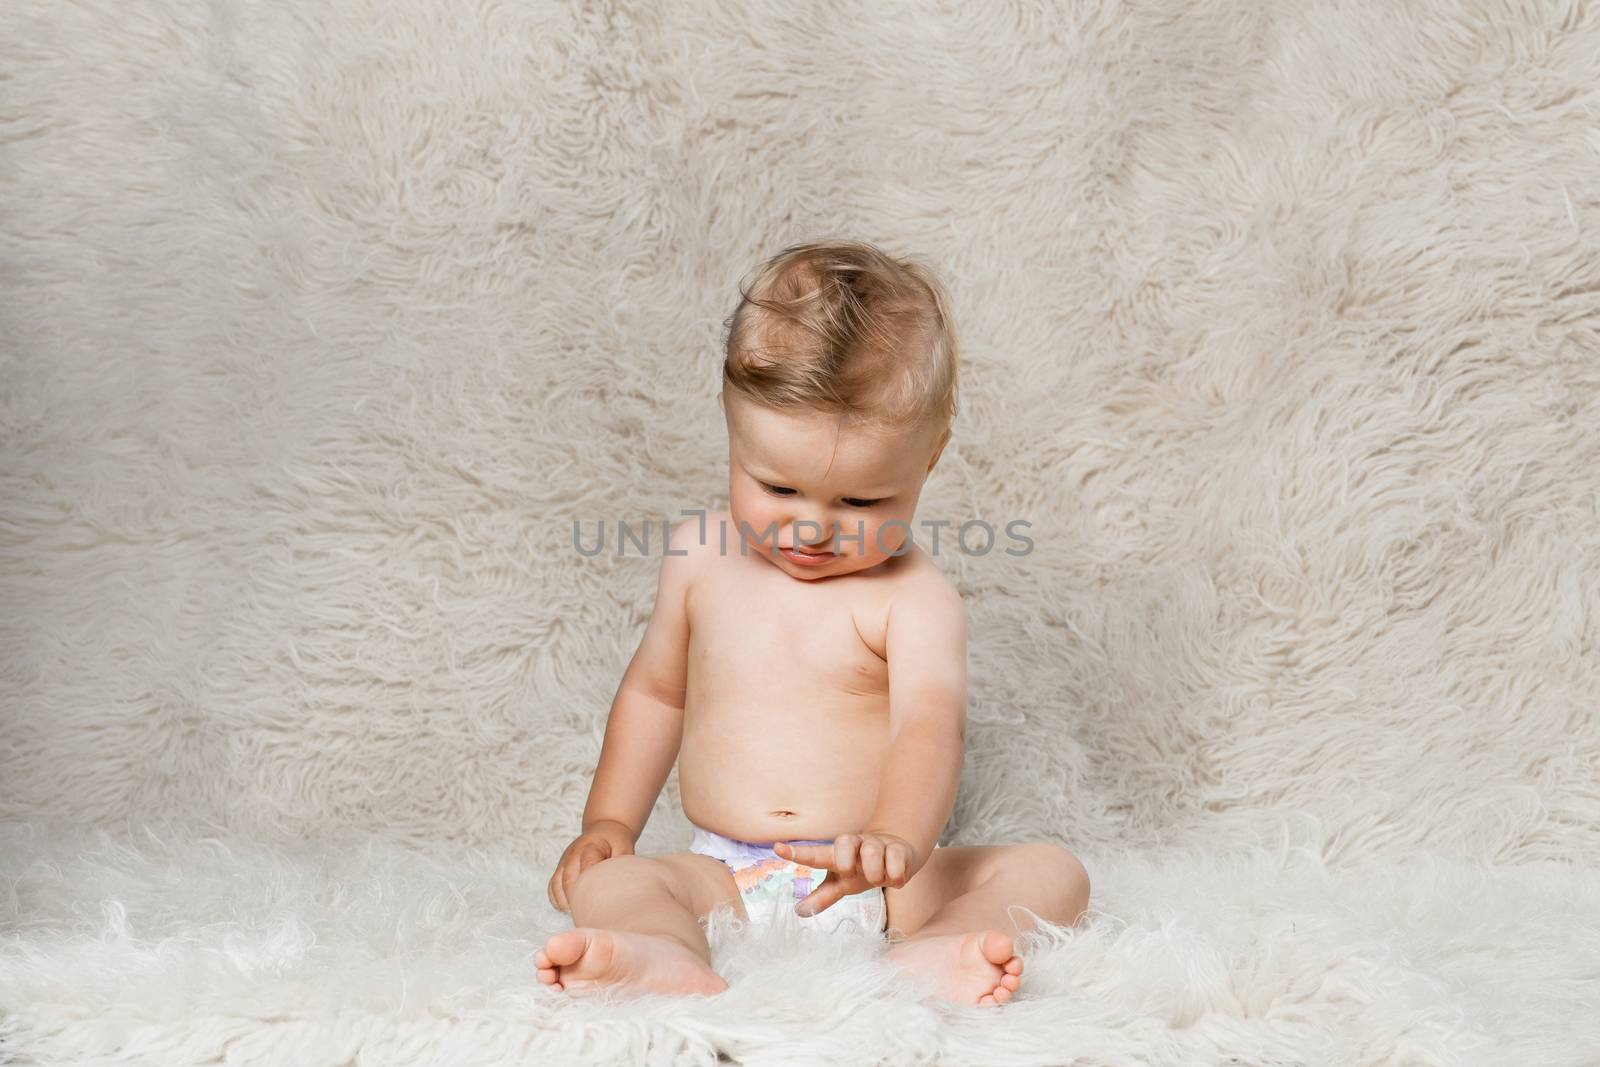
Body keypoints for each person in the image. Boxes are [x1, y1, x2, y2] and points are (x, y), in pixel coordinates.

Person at [537, 240, 1090, 1004]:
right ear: (734, 434)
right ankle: (661, 952)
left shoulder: (915, 596)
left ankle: (933, 948)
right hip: (723, 871)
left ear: (929, 458)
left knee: (1050, 872)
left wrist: (896, 838)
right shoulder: (700, 558)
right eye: (777, 486)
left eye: (861, 503)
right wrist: (608, 820)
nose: (812, 528)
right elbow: (655, 695)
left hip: (878, 879)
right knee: (616, 882)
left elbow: (929, 726)